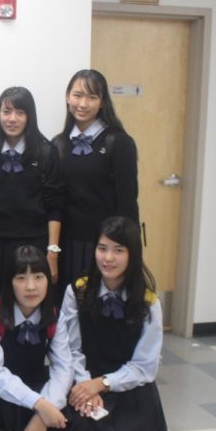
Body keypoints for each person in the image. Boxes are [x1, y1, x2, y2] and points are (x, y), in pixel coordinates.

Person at [49, 216, 185, 431]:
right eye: (102, 248)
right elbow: (70, 348)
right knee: (81, 428)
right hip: (84, 379)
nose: (108, 258)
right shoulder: (77, 292)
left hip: (128, 385)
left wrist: (103, 384)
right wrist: (85, 384)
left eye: (118, 250)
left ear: (132, 255)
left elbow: (145, 366)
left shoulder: (148, 303)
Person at [48, 69, 139, 303]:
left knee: (99, 309)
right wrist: (53, 250)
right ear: (68, 97)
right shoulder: (58, 144)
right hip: (67, 246)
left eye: (91, 97)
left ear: (102, 102)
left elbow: (128, 203)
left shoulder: (119, 143)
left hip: (104, 248)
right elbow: (54, 201)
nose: (83, 103)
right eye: (77, 95)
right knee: (66, 308)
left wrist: (126, 251)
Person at [0, 245, 70, 431]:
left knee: (64, 404)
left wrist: (43, 412)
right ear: (9, 282)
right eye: (21, 278)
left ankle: (26, 430)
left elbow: (64, 368)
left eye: (38, 277)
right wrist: (40, 404)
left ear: (48, 280)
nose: (31, 287)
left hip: (34, 381)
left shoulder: (55, 317)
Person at [0, 87, 58, 303]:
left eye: (20, 113)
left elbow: (55, 206)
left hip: (35, 245)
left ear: (29, 117)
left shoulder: (46, 153)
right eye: (6, 112)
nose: (12, 119)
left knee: (32, 304)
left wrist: (52, 253)